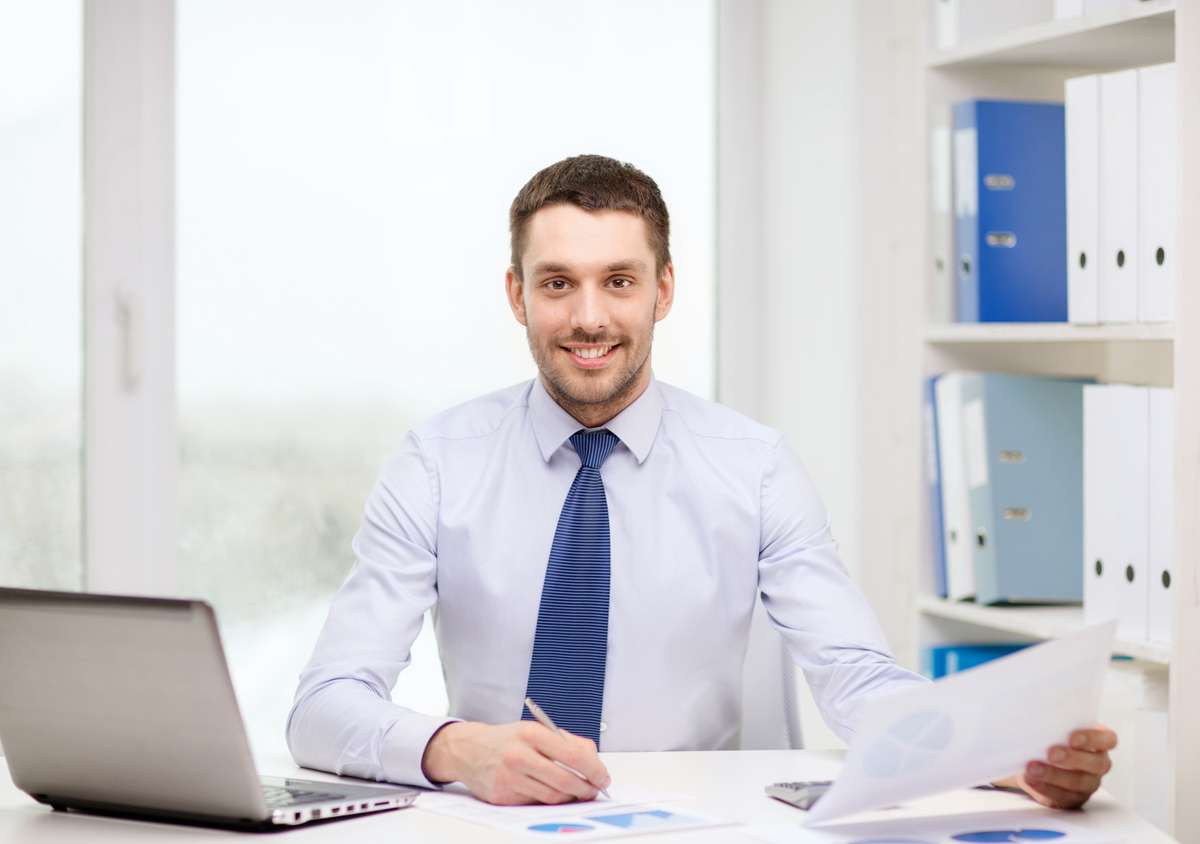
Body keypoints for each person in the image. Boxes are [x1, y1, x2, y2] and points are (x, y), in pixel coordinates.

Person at [286, 154, 1116, 809]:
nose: (588, 318)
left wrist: (1001, 757)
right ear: (516, 295)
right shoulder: (437, 462)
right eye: (557, 284)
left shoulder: (754, 466)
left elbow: (857, 676)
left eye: (619, 281)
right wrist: (458, 748)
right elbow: (324, 706)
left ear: (664, 290)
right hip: (495, 821)